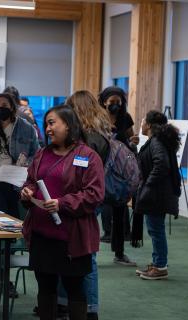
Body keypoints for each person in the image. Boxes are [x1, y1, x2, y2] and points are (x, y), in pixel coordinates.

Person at [21, 105, 104, 320]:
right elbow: (31, 180)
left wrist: (62, 203)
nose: (47, 129)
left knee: (75, 289)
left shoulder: (88, 156)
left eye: (52, 123)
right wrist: (28, 191)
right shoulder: (41, 154)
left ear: (68, 125)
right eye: (46, 123)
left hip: (71, 238)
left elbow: (94, 194)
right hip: (41, 234)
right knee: (45, 288)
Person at [63, 90, 112, 320]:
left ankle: (90, 308)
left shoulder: (90, 141)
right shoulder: (98, 135)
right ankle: (70, 304)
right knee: (75, 254)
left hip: (85, 200)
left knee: (86, 256)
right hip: (85, 199)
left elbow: (82, 171)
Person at [134, 111, 181, 280]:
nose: (141, 123)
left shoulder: (156, 142)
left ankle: (160, 266)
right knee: (155, 230)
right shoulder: (156, 141)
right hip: (157, 193)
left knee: (156, 230)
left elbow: (161, 165)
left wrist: (148, 185)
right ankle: (157, 263)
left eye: (143, 120)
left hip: (156, 194)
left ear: (149, 124)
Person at [0, 92, 39, 218]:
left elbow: (36, 153)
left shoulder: (26, 128)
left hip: (16, 183)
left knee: (15, 217)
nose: (0, 108)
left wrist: (27, 163)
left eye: (4, 105)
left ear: (12, 107)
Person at [98, 86, 136, 266]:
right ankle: (88, 252)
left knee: (120, 211)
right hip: (100, 167)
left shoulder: (125, 118)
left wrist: (132, 141)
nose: (115, 106)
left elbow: (130, 137)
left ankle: (119, 253)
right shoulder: (97, 117)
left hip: (120, 169)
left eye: (118, 103)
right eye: (111, 103)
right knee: (95, 208)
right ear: (104, 102)